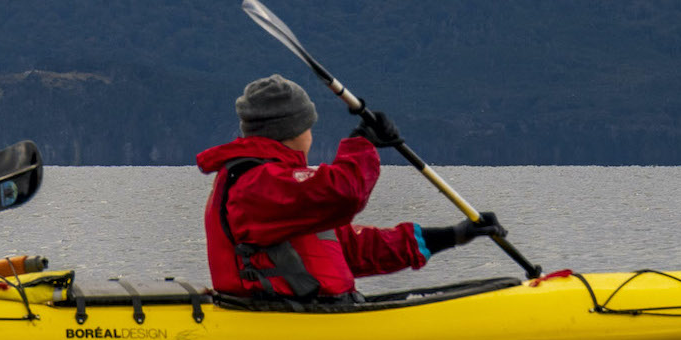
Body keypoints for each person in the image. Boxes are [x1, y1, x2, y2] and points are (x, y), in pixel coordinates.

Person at [195, 74, 503, 301]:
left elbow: (354, 250)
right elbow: (344, 192)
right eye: (309, 127)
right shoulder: (257, 186)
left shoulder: (280, 187)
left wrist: (453, 235)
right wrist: (362, 144)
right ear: (294, 131)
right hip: (286, 322)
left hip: (316, 314)